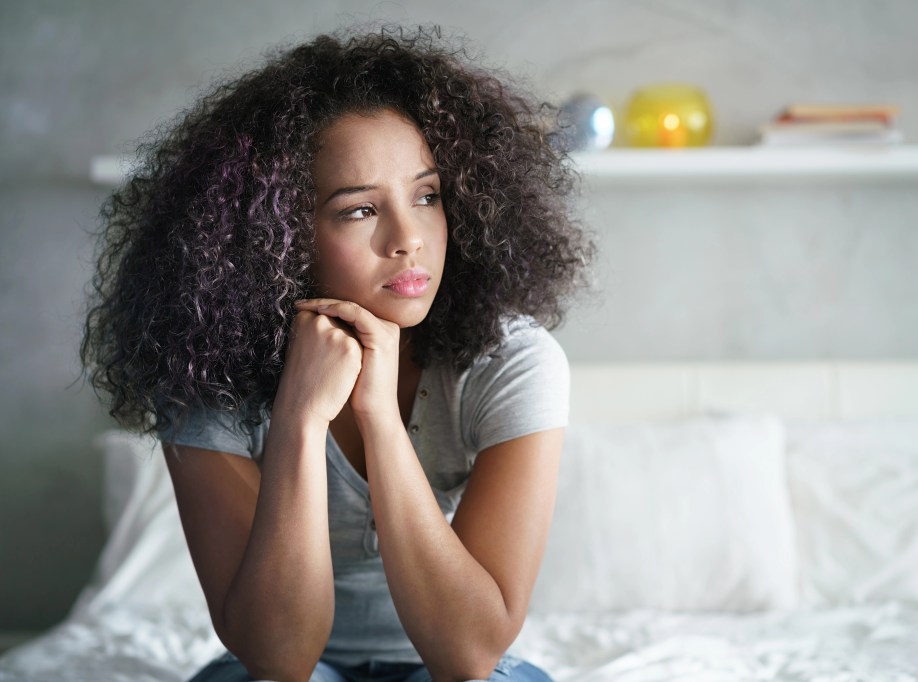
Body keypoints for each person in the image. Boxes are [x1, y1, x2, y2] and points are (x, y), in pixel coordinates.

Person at [80, 26, 592, 682]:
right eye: (357, 211)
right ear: (279, 237)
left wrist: (378, 415)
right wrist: (297, 418)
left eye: (427, 195)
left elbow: (469, 654)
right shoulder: (202, 371)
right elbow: (278, 657)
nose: (409, 239)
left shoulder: (511, 361)